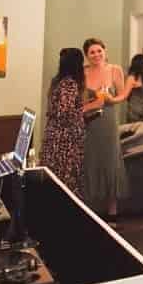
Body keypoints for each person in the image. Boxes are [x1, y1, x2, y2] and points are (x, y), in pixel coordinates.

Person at [40, 47, 103, 195]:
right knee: (66, 182)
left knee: (56, 180)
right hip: (65, 141)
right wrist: (88, 107)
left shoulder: (58, 81)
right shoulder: (69, 83)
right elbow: (65, 113)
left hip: (55, 136)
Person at [81, 37, 131, 222]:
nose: (96, 55)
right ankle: (89, 207)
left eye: (99, 50)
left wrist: (110, 100)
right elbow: (80, 100)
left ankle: (112, 211)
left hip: (108, 120)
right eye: (92, 52)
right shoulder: (83, 72)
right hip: (89, 122)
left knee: (110, 162)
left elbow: (123, 95)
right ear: (87, 55)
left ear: (105, 50)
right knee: (90, 160)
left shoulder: (115, 70)